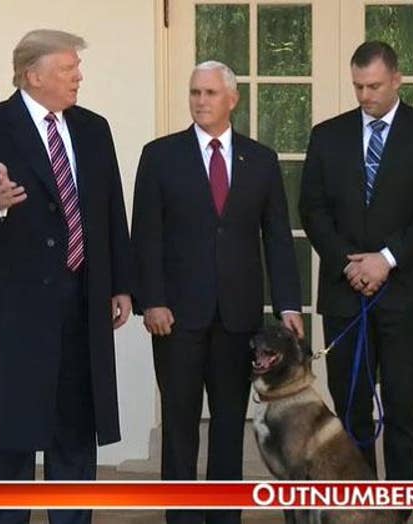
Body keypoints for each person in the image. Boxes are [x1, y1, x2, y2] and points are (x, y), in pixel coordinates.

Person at [0, 29, 132, 524]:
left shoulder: (94, 128)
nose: (78, 76)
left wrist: (119, 283)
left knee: (74, 434)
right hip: (15, 308)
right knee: (12, 435)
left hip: (81, 301)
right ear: (34, 75)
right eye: (69, 68)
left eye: (76, 68)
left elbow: (112, 209)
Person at [131, 60, 303, 524]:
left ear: (232, 99)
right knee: (180, 428)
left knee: (228, 427)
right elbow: (144, 235)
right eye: (194, 93)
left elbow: (278, 238)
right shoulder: (160, 156)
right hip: (176, 318)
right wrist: (152, 300)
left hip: (237, 318)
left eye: (209, 93)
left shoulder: (260, 160)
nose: (201, 101)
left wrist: (289, 304)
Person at [299, 41, 413, 492]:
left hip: (405, 291)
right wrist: (350, 264)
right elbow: (312, 209)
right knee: (350, 406)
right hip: (345, 291)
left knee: (403, 403)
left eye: (373, 86)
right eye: (357, 86)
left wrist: (386, 259)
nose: (364, 95)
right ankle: (359, 499)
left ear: (396, 79)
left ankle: (401, 503)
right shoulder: (327, 136)